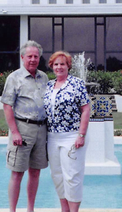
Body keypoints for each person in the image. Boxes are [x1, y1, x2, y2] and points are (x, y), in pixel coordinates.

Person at [1, 40, 49, 212]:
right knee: (17, 172)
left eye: (36, 56)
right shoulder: (14, 78)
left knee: (35, 172)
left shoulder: (44, 77)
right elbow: (7, 105)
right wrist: (14, 132)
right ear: (22, 57)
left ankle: (30, 209)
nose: (33, 59)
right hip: (22, 129)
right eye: (29, 56)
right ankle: (12, 210)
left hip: (42, 130)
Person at [43, 51, 91, 212]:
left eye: (62, 64)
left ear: (68, 66)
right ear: (52, 66)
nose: (59, 67)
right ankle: (65, 209)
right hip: (52, 137)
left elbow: (85, 109)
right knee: (57, 176)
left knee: (72, 176)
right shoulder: (49, 85)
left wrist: (81, 135)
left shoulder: (77, 83)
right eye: (56, 64)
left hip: (72, 135)